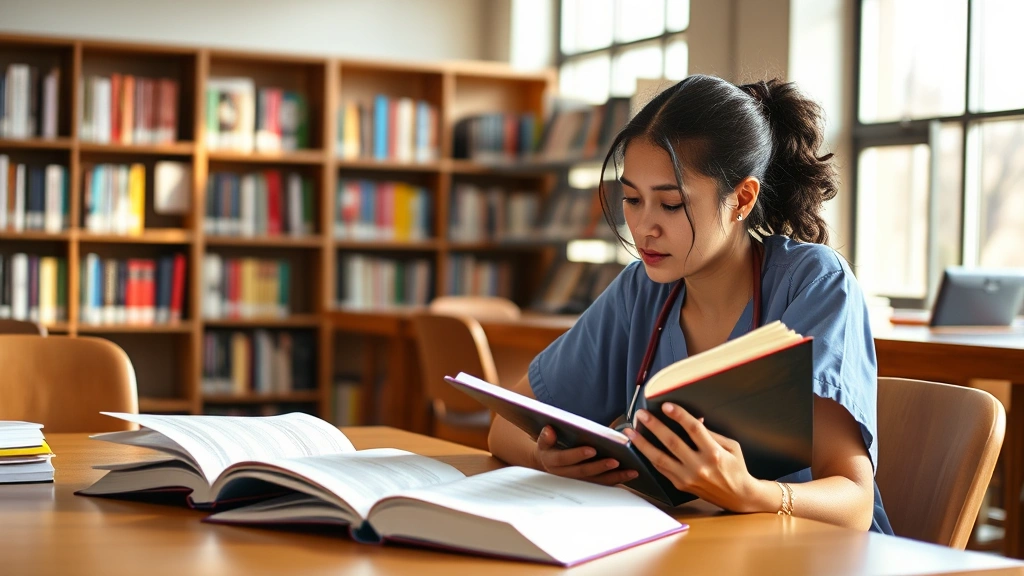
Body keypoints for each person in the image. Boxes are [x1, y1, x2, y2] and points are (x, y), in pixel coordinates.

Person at [487, 74, 892, 533]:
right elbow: (504, 426)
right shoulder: (640, 290)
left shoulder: (813, 284)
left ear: (742, 198)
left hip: (809, 554)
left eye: (672, 204)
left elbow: (854, 504)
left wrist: (749, 492)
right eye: (632, 200)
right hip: (685, 548)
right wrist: (545, 458)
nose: (643, 228)